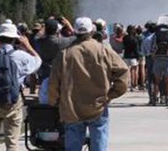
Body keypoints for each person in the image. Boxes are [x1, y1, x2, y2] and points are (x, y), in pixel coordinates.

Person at [48, 17, 129, 151]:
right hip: (98, 106)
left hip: (72, 108)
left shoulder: (64, 54)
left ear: (75, 32)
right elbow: (123, 72)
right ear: (92, 31)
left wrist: (55, 101)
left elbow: (53, 82)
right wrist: (112, 94)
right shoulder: (103, 50)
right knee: (99, 145)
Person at [0, 21, 41, 151]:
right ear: (14, 39)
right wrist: (28, 46)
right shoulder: (20, 56)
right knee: (12, 141)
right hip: (13, 100)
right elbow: (38, 62)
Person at [35, 17, 75, 105]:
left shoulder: (39, 42)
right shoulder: (63, 42)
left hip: (45, 74)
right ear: (57, 30)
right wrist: (68, 24)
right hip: (60, 74)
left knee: (46, 100)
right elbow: (76, 37)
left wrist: (45, 25)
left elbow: (37, 35)